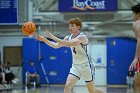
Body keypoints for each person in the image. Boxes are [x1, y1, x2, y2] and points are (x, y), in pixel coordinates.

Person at [35, 17, 103, 93]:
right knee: (68, 86)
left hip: (86, 66)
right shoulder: (68, 37)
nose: (70, 27)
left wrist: (52, 36)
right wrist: (44, 39)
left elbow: (69, 43)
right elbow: (56, 46)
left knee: (92, 91)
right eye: (69, 26)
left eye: (72, 26)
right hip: (76, 66)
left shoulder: (82, 37)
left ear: (78, 27)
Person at [129, 3, 140, 93]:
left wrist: (136, 58)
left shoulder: (137, 23)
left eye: (133, 13)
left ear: (138, 14)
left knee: (137, 83)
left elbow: (139, 40)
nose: (132, 15)